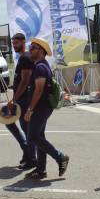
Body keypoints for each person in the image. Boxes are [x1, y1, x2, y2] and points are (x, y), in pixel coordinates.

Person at [23, 38, 69, 180]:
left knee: (33, 136)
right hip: (41, 107)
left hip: (40, 108)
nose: (30, 50)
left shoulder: (40, 67)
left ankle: (60, 157)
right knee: (39, 137)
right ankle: (41, 169)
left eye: (33, 48)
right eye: (30, 48)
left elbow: (39, 90)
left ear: (41, 51)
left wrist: (30, 109)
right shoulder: (39, 66)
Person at [5, 33, 36, 169]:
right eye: (13, 43)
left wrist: (15, 99)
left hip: (24, 100)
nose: (14, 45)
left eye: (16, 42)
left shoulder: (26, 58)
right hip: (21, 99)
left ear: (24, 42)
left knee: (26, 129)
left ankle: (31, 158)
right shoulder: (23, 57)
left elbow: (25, 80)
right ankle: (27, 152)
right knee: (10, 122)